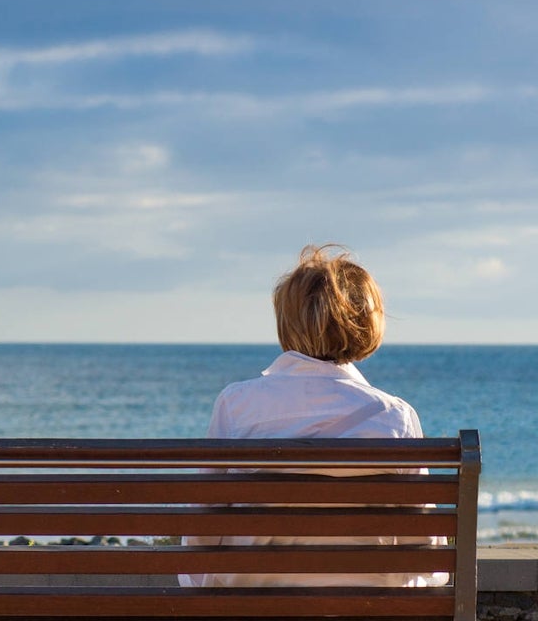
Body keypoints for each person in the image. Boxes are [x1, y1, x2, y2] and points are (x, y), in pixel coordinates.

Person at [180, 244, 445, 588]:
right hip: (369, 609)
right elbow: (426, 552)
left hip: (250, 608)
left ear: (287, 322)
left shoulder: (236, 405)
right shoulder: (396, 418)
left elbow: (203, 532)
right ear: (367, 324)